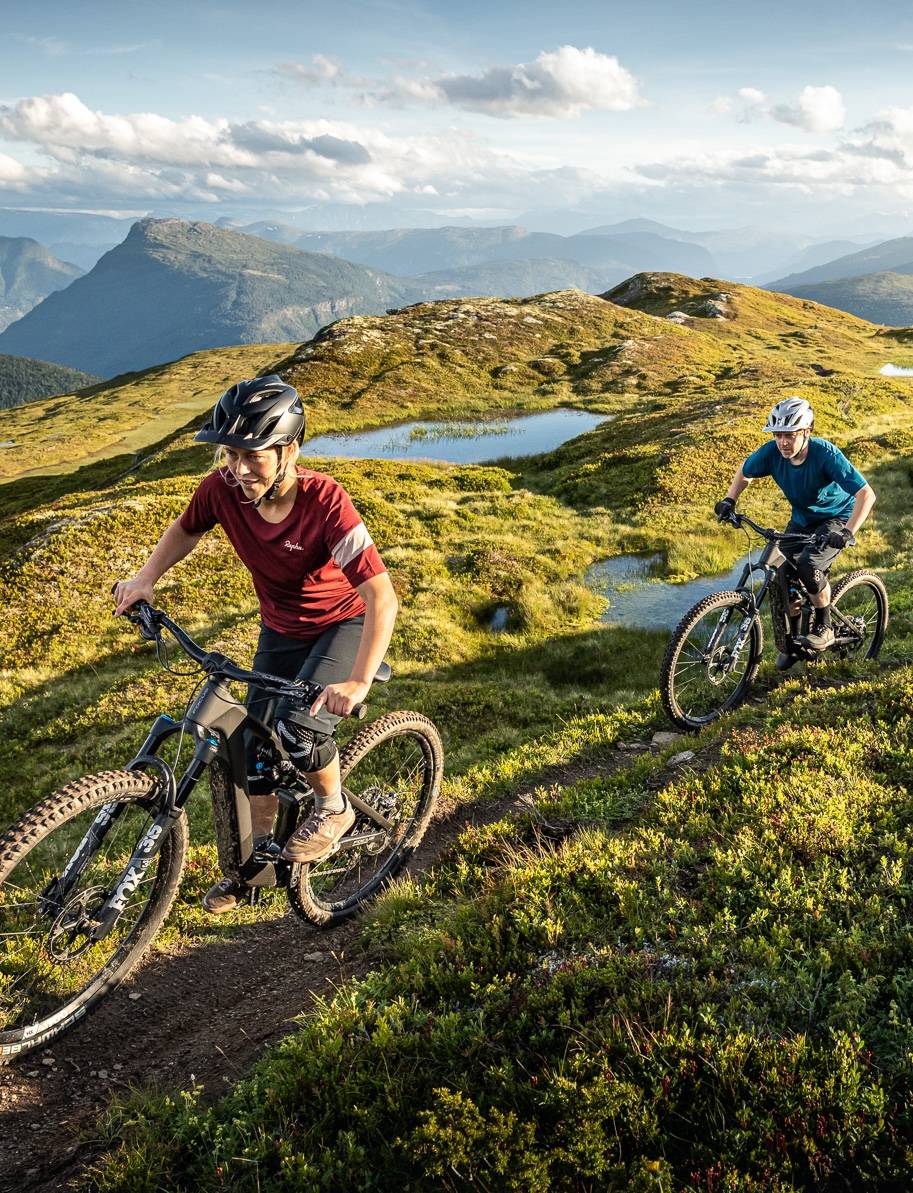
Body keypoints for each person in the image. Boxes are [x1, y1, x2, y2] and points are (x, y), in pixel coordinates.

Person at [113, 375, 398, 913]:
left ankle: (335, 807)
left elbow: (381, 596)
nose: (237, 469)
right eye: (228, 454)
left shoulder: (326, 503)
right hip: (281, 627)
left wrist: (358, 680)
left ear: (289, 450)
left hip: (342, 623)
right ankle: (255, 869)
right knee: (252, 749)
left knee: (299, 727)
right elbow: (186, 529)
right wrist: (146, 577)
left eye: (253, 456)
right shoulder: (221, 489)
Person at [714, 396, 876, 663]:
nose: (783, 442)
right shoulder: (772, 453)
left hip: (837, 517)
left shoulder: (826, 455)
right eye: (778, 435)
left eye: (789, 435)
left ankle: (824, 627)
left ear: (807, 432)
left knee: (809, 564)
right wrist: (730, 500)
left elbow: (865, 494)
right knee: (783, 576)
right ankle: (793, 645)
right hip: (802, 519)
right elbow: (745, 471)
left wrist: (847, 533)